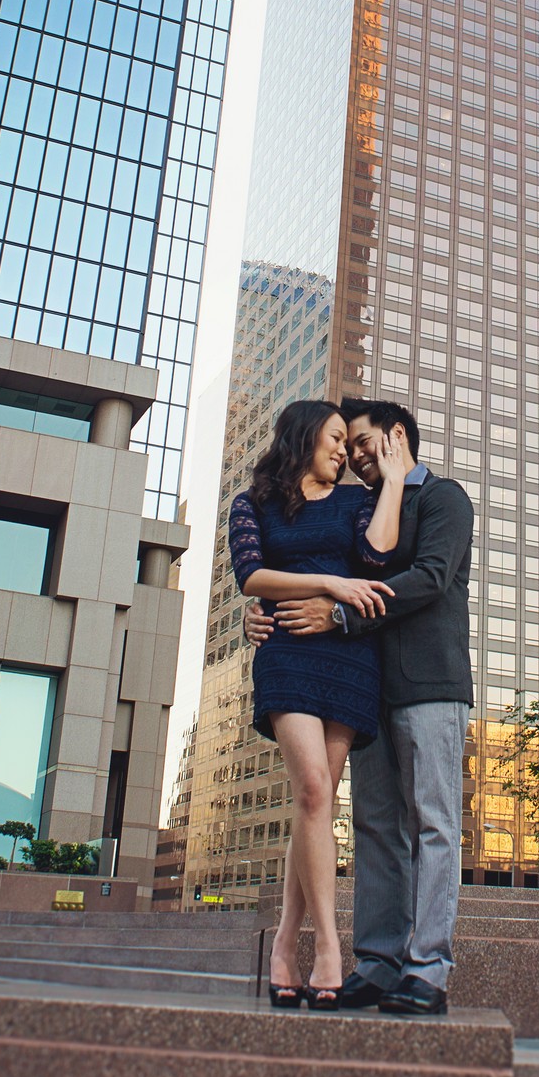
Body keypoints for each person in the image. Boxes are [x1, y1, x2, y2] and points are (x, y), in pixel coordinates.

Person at [251, 397, 474, 1016]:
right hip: (368, 691)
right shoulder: (367, 509)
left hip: (430, 688)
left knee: (434, 825)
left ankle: (428, 971)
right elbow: (312, 562)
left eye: (362, 442)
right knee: (376, 829)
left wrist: (341, 611)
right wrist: (262, 611)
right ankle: (378, 964)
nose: (352, 456)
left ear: (395, 436)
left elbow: (429, 577)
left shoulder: (444, 498)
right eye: (345, 446)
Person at [226, 398, 403, 1008]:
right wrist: (329, 582)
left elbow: (377, 555)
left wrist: (394, 480)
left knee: (318, 803)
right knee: (311, 791)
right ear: (303, 439)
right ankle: (329, 947)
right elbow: (252, 576)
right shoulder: (252, 505)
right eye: (333, 439)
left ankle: (282, 945)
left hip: (348, 660)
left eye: (347, 443)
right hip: (287, 653)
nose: (343, 451)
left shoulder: (358, 501)